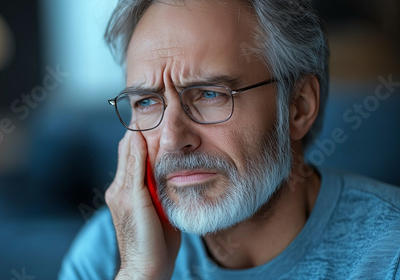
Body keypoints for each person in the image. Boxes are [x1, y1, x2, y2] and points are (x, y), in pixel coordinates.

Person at [59, 0, 400, 279]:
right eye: (146, 102)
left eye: (209, 94)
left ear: (298, 106)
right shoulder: (110, 251)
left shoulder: (389, 253)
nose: (173, 139)